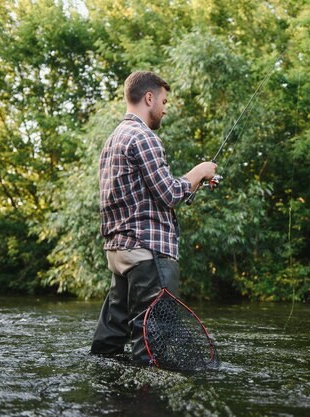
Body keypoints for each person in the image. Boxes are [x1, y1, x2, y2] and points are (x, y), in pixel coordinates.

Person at [90, 70, 217, 364]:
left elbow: (144, 196)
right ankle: (146, 404)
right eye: (164, 100)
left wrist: (193, 182)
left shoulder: (113, 140)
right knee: (152, 344)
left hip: (119, 254)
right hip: (149, 255)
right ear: (149, 98)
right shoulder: (143, 137)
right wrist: (199, 172)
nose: (165, 107)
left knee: (110, 341)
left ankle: (110, 400)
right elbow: (171, 193)